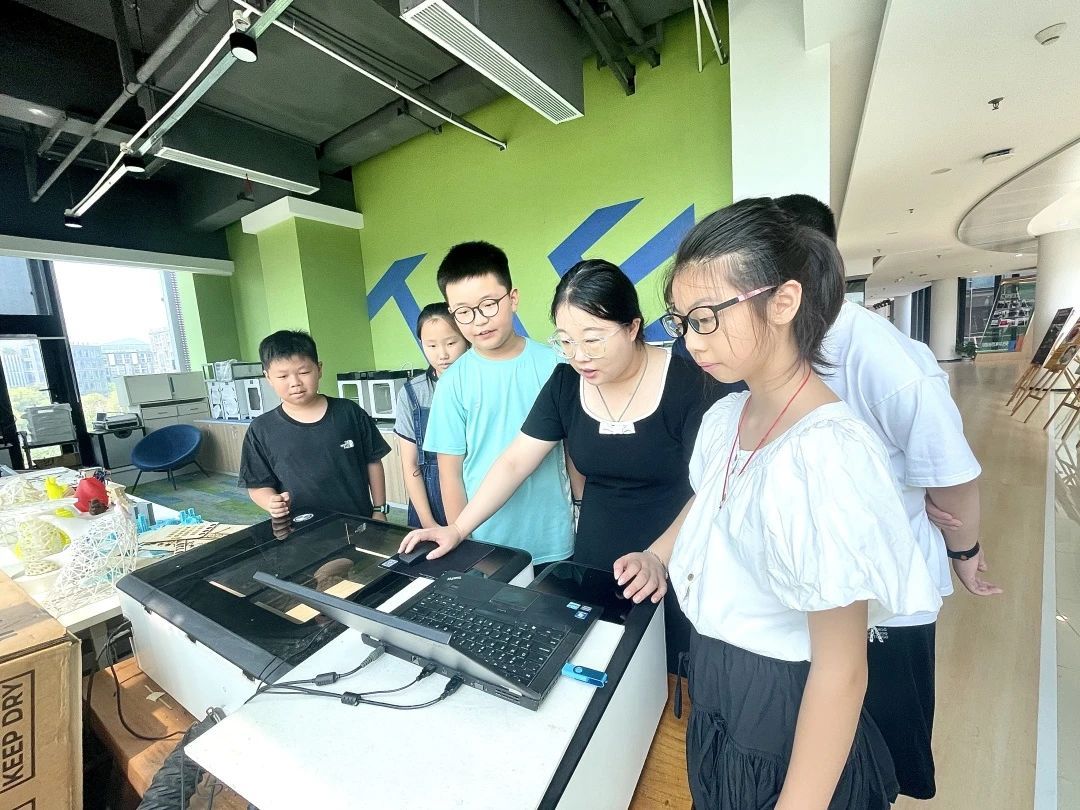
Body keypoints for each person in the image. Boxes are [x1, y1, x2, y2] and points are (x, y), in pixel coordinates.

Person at [617, 198, 942, 809]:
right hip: (715, 683)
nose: (691, 340)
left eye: (707, 318)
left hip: (783, 704)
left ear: (784, 301)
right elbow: (716, 498)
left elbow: (842, 670)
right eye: (682, 321)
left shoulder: (827, 453)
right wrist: (660, 554)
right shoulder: (727, 416)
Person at [400, 259, 739, 670]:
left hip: (679, 553)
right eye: (566, 341)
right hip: (597, 558)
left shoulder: (691, 384)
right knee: (598, 666)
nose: (579, 356)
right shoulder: (565, 383)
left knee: (672, 675)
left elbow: (716, 485)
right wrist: (458, 528)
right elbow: (514, 462)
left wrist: (657, 556)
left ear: (632, 327)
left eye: (593, 340)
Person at [776, 192, 1001, 800]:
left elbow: (951, 476)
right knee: (824, 749)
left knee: (879, 754)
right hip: (813, 586)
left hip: (887, 596)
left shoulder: (883, 357)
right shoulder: (784, 345)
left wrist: (964, 552)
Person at [421, 241, 574, 565]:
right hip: (487, 542)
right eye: (463, 312)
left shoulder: (557, 364)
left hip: (553, 535)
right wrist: (465, 545)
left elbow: (572, 449)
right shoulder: (452, 382)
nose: (478, 321)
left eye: (489, 304)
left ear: (513, 298)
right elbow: (450, 474)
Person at [238, 330, 391, 522]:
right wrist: (270, 502)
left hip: (358, 521)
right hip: (298, 528)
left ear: (319, 369)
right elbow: (257, 483)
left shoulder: (349, 412)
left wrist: (379, 509)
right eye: (283, 376)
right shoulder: (261, 429)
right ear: (268, 378)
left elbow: (373, 462)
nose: (295, 383)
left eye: (304, 372)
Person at [394, 303, 470, 528]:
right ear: (421, 344)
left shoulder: (482, 384)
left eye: (451, 343)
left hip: (476, 490)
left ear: (466, 338)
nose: (442, 354)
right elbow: (410, 464)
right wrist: (428, 522)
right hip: (429, 499)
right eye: (432, 345)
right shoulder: (412, 393)